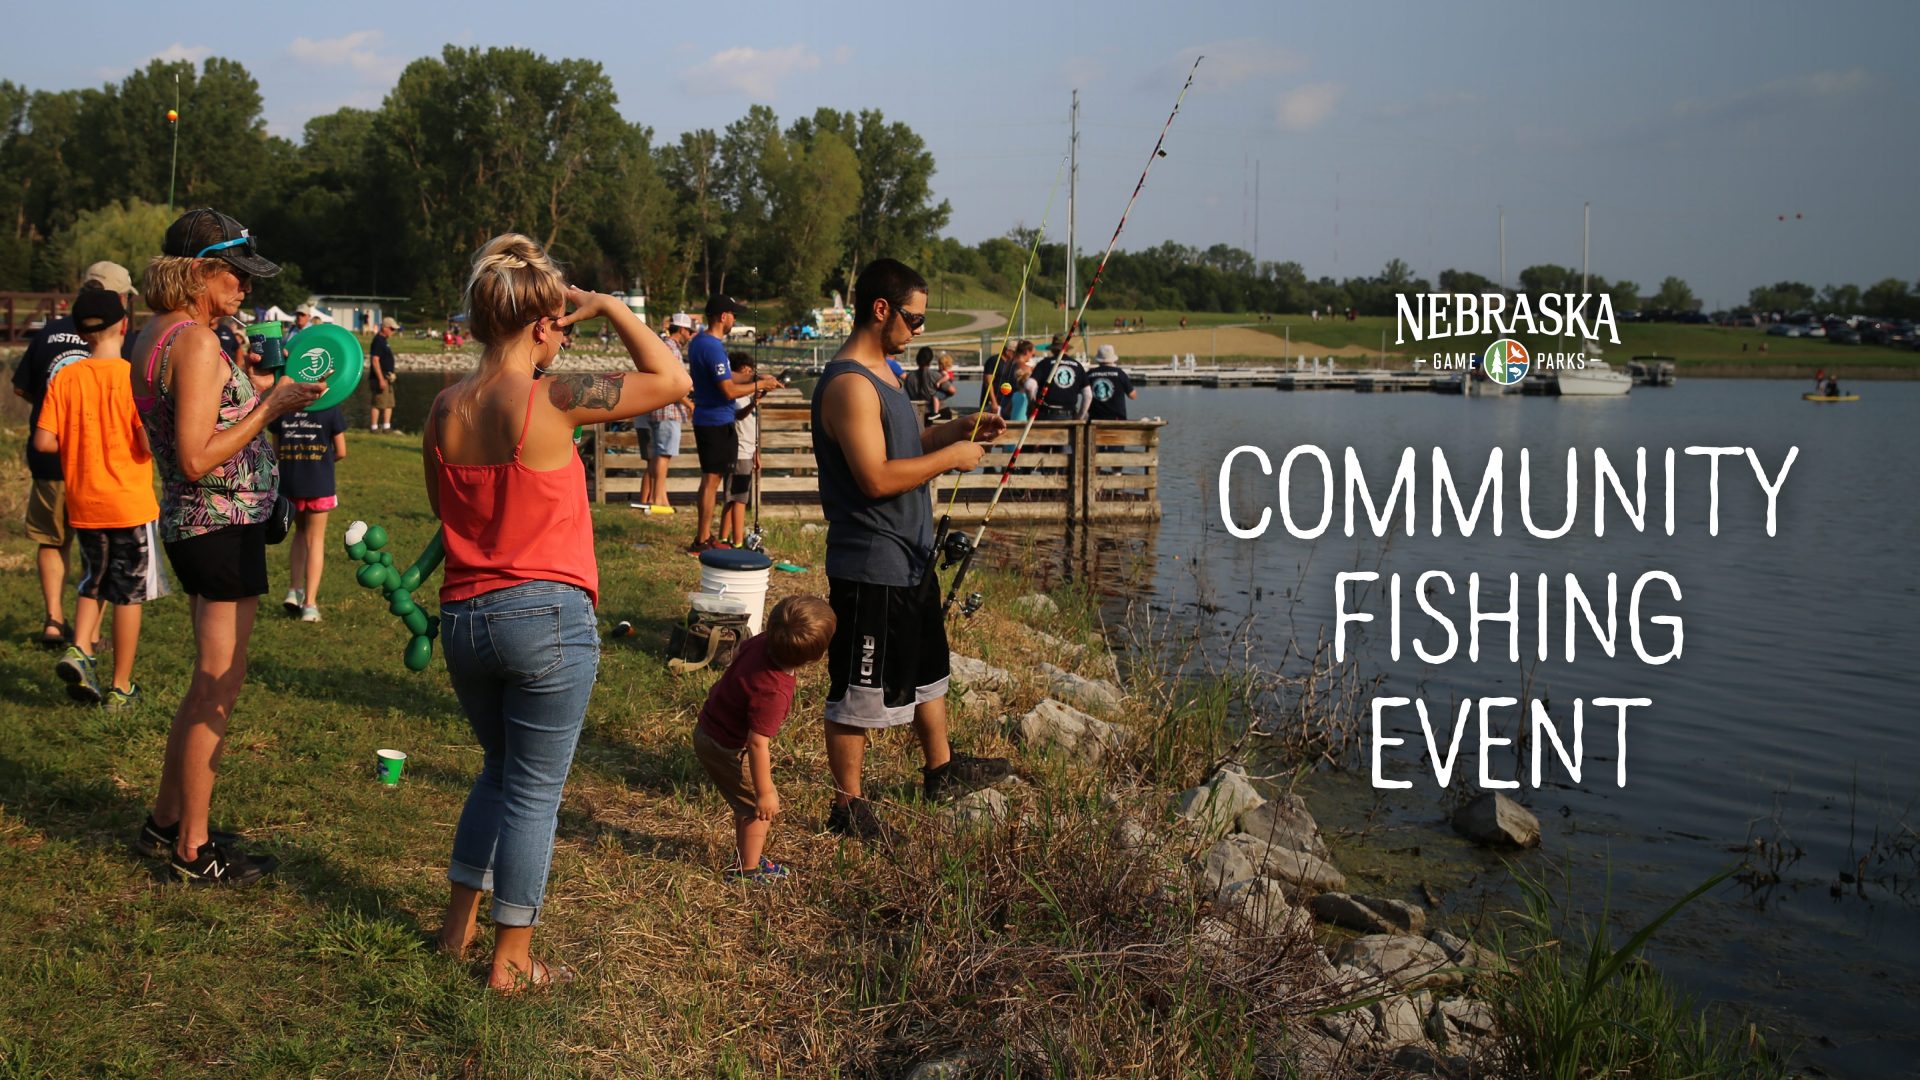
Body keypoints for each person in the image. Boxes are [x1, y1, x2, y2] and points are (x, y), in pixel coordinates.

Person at [425, 233, 689, 991]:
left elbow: (445, 513)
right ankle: (511, 960)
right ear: (542, 327)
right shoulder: (553, 399)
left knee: (498, 772)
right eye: (562, 328)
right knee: (535, 792)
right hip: (544, 616)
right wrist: (608, 304)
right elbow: (668, 379)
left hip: (465, 620)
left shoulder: (442, 410)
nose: (563, 342)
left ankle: (457, 929)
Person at [130, 208, 325, 884]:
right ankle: (194, 848)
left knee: (204, 685)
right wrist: (271, 408)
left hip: (199, 524)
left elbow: (203, 421)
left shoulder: (156, 334)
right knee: (218, 686)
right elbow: (193, 455)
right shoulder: (195, 344)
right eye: (234, 274)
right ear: (196, 273)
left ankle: (166, 820)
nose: (244, 288)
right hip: (217, 524)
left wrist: (264, 391)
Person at [811, 258, 1012, 841]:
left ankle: (940, 771)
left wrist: (954, 432)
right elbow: (875, 477)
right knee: (857, 689)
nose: (919, 329)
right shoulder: (850, 383)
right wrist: (950, 461)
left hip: (911, 556)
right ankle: (848, 808)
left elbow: (901, 448)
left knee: (928, 672)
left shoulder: (889, 374)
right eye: (915, 318)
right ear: (882, 310)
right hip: (869, 562)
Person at [33, 287, 167, 708]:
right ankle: (121, 686)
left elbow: (43, 441)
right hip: (128, 503)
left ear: (79, 332)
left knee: (94, 578)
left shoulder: (65, 377)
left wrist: (78, 439)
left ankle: (81, 649)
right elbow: (146, 443)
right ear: (124, 326)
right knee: (128, 594)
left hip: (84, 503)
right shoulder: (131, 377)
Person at [13, 261, 136, 649]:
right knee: (98, 549)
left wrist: (62, 419)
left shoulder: (48, 333)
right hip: (102, 466)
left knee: (52, 540)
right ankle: (92, 633)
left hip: (51, 459)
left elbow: (23, 389)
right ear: (118, 299)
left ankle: (54, 619)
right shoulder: (120, 339)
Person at [691, 595, 836, 882]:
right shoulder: (774, 691)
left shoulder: (760, 641)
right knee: (755, 810)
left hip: (708, 727)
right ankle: (748, 870)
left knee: (746, 805)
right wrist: (765, 790)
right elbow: (757, 743)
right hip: (727, 747)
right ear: (816, 657)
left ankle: (746, 854)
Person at [687, 295, 778, 553]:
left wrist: (756, 376)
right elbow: (728, 390)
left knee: (711, 480)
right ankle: (701, 540)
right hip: (715, 422)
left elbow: (727, 375)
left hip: (714, 420)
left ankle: (705, 537)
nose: (735, 320)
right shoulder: (712, 347)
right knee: (711, 480)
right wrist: (761, 385)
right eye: (733, 314)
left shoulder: (701, 343)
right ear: (723, 316)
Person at [271, 405, 347, 621]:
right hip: (319, 485)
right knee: (315, 540)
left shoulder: (284, 406)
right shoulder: (331, 409)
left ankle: (294, 590)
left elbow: (276, 451)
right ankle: (310, 604)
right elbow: (341, 451)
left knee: (299, 533)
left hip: (290, 484)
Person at [642, 313, 697, 511]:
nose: (690, 336)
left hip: (661, 409)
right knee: (664, 454)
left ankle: (659, 498)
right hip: (668, 410)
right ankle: (658, 499)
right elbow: (672, 383)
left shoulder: (663, 346)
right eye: (689, 331)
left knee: (660, 454)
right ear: (681, 330)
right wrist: (689, 404)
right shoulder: (671, 349)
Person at [722, 353, 768, 548]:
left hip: (747, 453)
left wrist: (756, 453)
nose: (749, 375)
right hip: (738, 453)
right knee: (740, 499)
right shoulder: (736, 398)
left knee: (732, 499)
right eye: (745, 372)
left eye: (751, 371)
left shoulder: (748, 397)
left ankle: (723, 538)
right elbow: (739, 416)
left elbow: (753, 429)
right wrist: (753, 403)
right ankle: (738, 542)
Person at [1032, 336, 1090, 421]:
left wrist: (1033, 403)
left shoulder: (1044, 364)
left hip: (1046, 415)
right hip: (1069, 416)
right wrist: (1080, 416)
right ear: (1066, 349)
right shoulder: (1078, 366)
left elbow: (1029, 386)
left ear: (1052, 349)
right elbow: (1088, 395)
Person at [1086, 344, 1137, 421]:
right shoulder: (1120, 373)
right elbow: (1133, 396)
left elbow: (1082, 392)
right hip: (1117, 420)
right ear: (1113, 359)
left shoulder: (1090, 374)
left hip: (1095, 419)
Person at [369, 316, 399, 432]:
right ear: (385, 328)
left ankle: (386, 426)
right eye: (391, 329)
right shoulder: (378, 341)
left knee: (388, 403)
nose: (393, 331)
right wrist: (380, 379)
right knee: (378, 403)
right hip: (380, 378)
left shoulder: (384, 341)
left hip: (387, 377)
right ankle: (374, 427)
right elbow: (375, 360)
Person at [931, 351, 959, 420]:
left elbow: (947, 377)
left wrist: (939, 382)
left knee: (935, 397)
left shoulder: (944, 372)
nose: (938, 366)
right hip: (946, 389)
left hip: (945, 390)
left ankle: (936, 413)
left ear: (943, 365)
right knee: (938, 398)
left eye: (939, 364)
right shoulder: (948, 371)